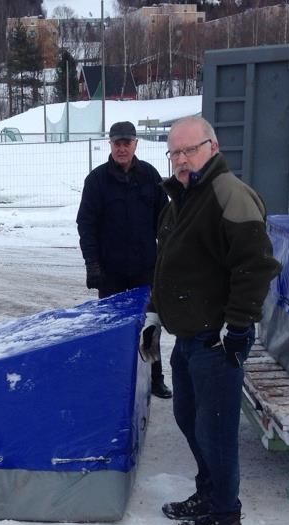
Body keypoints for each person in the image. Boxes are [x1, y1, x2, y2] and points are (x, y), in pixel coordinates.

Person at [140, 116, 280, 525]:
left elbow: (255, 266)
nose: (182, 160)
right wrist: (154, 315)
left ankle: (225, 518)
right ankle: (209, 493)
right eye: (175, 153)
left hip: (218, 340)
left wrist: (238, 326)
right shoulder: (181, 198)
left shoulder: (228, 194)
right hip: (188, 337)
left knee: (216, 431)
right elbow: (170, 269)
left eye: (190, 150)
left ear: (213, 147)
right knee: (189, 418)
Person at [77, 120, 173, 399]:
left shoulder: (150, 176)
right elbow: (86, 224)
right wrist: (92, 264)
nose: (122, 148)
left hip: (146, 268)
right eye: (117, 143)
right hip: (111, 272)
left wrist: (167, 260)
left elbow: (165, 221)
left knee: (150, 325)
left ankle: (155, 378)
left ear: (135, 144)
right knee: (113, 329)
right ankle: (115, 381)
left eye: (126, 143)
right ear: (110, 145)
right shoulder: (96, 181)